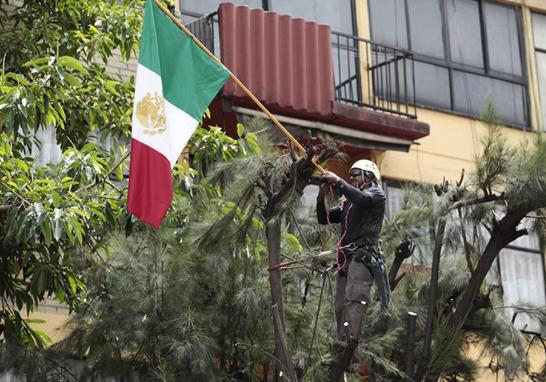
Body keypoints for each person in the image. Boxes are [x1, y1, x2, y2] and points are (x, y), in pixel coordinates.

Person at [316, 159, 389, 343]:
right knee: (340, 305)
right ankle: (340, 345)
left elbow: (363, 200)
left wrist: (339, 181)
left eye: (355, 174)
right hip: (346, 259)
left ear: (368, 175)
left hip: (362, 257)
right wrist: (320, 197)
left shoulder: (376, 194)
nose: (352, 178)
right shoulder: (348, 201)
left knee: (353, 301)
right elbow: (323, 218)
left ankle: (350, 349)